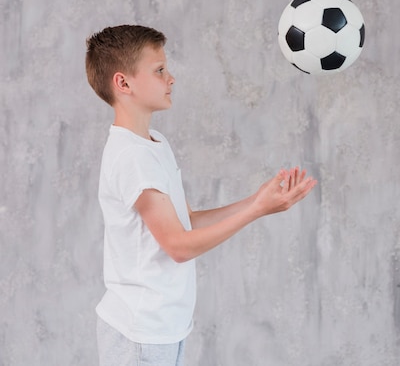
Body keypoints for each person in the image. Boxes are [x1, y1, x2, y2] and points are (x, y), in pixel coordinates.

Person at [85, 24, 317, 366]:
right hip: (139, 333)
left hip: (163, 327)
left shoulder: (154, 145)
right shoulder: (131, 157)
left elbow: (187, 221)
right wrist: (254, 213)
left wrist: (257, 202)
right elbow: (178, 246)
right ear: (123, 83)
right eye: (160, 70)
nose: (171, 78)